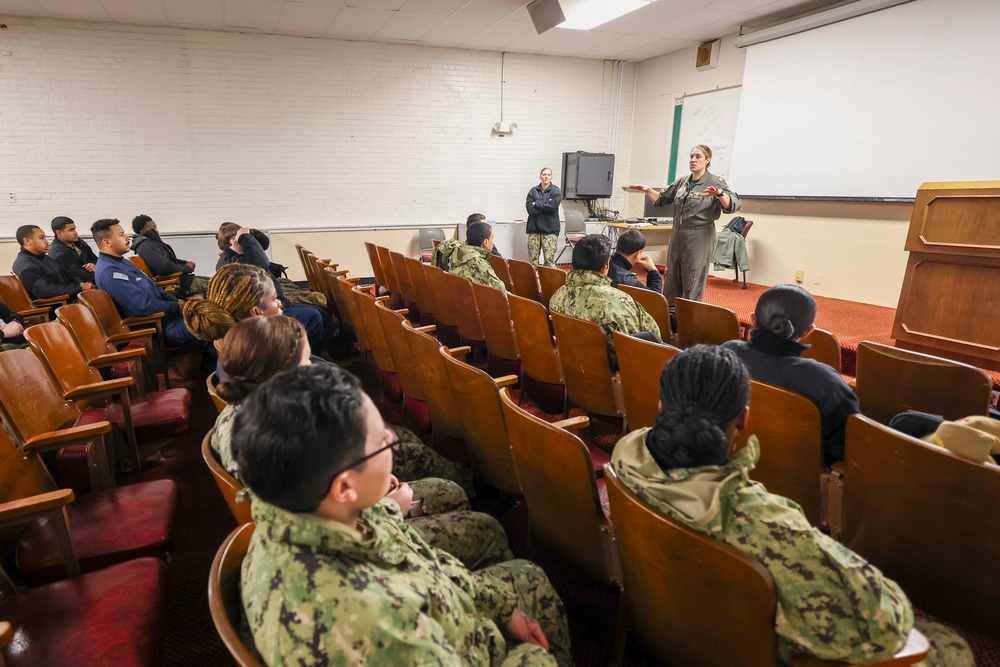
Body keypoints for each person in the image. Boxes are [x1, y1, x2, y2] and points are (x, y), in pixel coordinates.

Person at [611, 345, 973, 666]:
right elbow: (884, 626)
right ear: (744, 418)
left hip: (669, 628)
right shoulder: (768, 525)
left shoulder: (626, 453)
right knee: (947, 645)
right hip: (746, 643)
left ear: (661, 405)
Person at [236, 363, 572, 666]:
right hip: (469, 648)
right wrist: (534, 657)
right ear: (344, 487)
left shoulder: (304, 510)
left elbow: (417, 562)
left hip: (452, 618)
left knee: (527, 575)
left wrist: (499, 606)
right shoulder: (374, 625)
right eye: (381, 441)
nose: (393, 439)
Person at [213, 315, 510, 570]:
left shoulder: (251, 414)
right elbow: (324, 521)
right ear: (279, 373)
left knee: (407, 445)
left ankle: (472, 493)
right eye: (305, 362)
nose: (314, 367)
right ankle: (477, 501)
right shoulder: (269, 430)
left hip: (338, 519)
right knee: (470, 514)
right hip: (354, 538)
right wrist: (391, 506)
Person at [187, 263, 474, 494]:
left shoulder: (233, 348)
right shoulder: (268, 359)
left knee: (404, 437)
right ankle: (473, 490)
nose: (282, 306)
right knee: (412, 452)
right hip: (332, 461)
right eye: (276, 300)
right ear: (255, 312)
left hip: (321, 453)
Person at [721, 284, 857, 466]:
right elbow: (848, 446)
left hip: (732, 460)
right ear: (809, 332)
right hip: (799, 477)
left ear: (753, 320)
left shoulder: (726, 353)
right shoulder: (824, 381)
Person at [631, 144, 741, 303]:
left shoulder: (715, 182)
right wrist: (648, 190)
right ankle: (669, 318)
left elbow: (733, 205)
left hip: (699, 236)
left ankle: (689, 321)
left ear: (707, 160)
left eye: (698, 157)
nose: (693, 160)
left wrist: (720, 194)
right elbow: (662, 199)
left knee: (692, 279)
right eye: (691, 156)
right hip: (677, 234)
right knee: (671, 279)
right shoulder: (682, 182)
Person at [215, 223, 331, 356]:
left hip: (270, 305)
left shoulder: (233, 257)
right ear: (233, 241)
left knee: (320, 311)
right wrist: (245, 237)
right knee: (313, 315)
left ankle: (325, 352)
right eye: (244, 239)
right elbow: (261, 264)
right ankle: (312, 356)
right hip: (262, 313)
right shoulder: (231, 260)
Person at [549, 234, 661, 366]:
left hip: (574, 366)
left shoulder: (557, 296)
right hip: (615, 371)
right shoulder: (619, 301)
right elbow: (654, 340)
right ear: (605, 267)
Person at [92, 218, 199, 347]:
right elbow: (143, 306)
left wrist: (178, 302)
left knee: (213, 317)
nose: (127, 237)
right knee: (212, 325)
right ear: (107, 242)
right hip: (154, 328)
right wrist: (176, 307)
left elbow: (155, 289)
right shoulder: (109, 272)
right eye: (121, 235)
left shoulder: (123, 262)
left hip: (165, 317)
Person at [130, 214, 209, 296]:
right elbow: (164, 268)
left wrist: (185, 263)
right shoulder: (146, 246)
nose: (157, 231)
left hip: (182, 279)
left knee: (218, 282)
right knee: (219, 286)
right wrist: (187, 268)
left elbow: (170, 261)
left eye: (156, 227)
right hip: (179, 283)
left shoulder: (151, 244)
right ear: (142, 231)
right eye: (153, 228)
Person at [12, 225, 94, 301]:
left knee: (100, 296)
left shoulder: (45, 258)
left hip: (70, 297)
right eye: (41, 238)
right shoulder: (24, 264)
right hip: (56, 305)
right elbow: (46, 290)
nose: (46, 242)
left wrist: (81, 284)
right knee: (98, 303)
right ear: (27, 241)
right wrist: (79, 288)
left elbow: (67, 275)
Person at [437, 221, 507, 293]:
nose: (493, 241)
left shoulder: (455, 253)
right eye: (492, 238)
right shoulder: (479, 264)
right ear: (486, 242)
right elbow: (501, 292)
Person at [525, 167, 562, 267]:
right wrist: (545, 205)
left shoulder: (556, 191)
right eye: (544, 174)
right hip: (534, 229)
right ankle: (532, 282)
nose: (546, 177)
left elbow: (553, 207)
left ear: (551, 177)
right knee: (533, 261)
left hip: (550, 230)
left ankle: (549, 282)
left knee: (549, 261)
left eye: (548, 175)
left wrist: (536, 203)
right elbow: (530, 209)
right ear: (540, 176)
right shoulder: (533, 191)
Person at [609, 229, 662, 293]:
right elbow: (654, 297)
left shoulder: (605, 262)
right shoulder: (626, 280)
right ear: (638, 253)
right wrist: (653, 270)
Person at [48, 216, 99, 283]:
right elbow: (78, 274)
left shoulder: (78, 242)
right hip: (78, 287)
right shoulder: (58, 253)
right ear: (59, 233)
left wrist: (93, 264)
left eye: (75, 229)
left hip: (93, 279)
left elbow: (95, 259)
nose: (76, 233)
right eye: (71, 230)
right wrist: (97, 269)